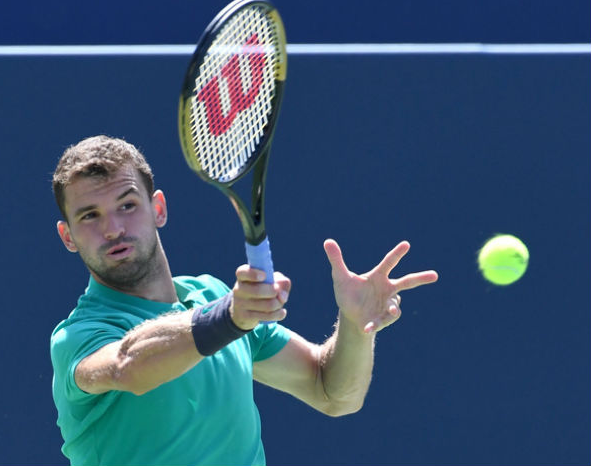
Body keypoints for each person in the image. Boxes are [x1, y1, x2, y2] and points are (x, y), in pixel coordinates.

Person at [50, 135, 438, 466]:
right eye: (90, 216)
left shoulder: (212, 296)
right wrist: (231, 318)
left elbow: (332, 392)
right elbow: (126, 365)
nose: (113, 228)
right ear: (68, 237)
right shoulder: (78, 337)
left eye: (127, 205)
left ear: (159, 209)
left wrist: (354, 328)